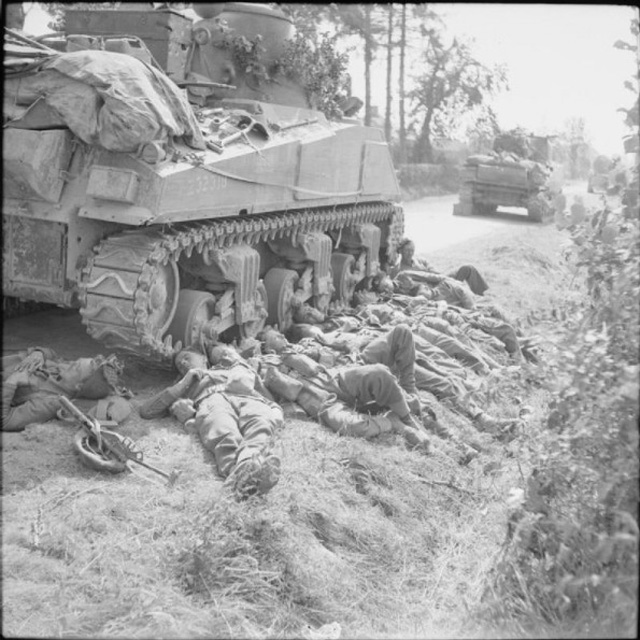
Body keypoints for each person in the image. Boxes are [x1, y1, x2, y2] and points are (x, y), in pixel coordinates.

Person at [139, 346, 282, 499]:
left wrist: (271, 404)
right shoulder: (184, 385)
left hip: (246, 396)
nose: (182, 362)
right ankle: (242, 475)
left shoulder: (230, 368)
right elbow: (147, 411)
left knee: (260, 424)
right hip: (210, 402)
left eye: (186, 357)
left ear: (204, 358)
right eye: (179, 363)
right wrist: (184, 382)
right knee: (223, 432)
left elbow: (266, 395)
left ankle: (248, 465)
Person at [2, 347, 130, 432]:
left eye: (74, 367)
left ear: (78, 386)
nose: (69, 364)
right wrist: (39, 353)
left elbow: (6, 421)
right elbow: (52, 353)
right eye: (74, 362)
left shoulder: (50, 402)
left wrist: (11, 382)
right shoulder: (62, 372)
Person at [391, 238, 489, 296]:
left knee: (467, 268)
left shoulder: (420, 260)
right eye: (407, 250)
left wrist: (429, 272)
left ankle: (480, 295)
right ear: (400, 251)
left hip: (440, 279)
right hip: (432, 289)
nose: (410, 253)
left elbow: (436, 272)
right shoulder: (399, 270)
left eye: (412, 250)